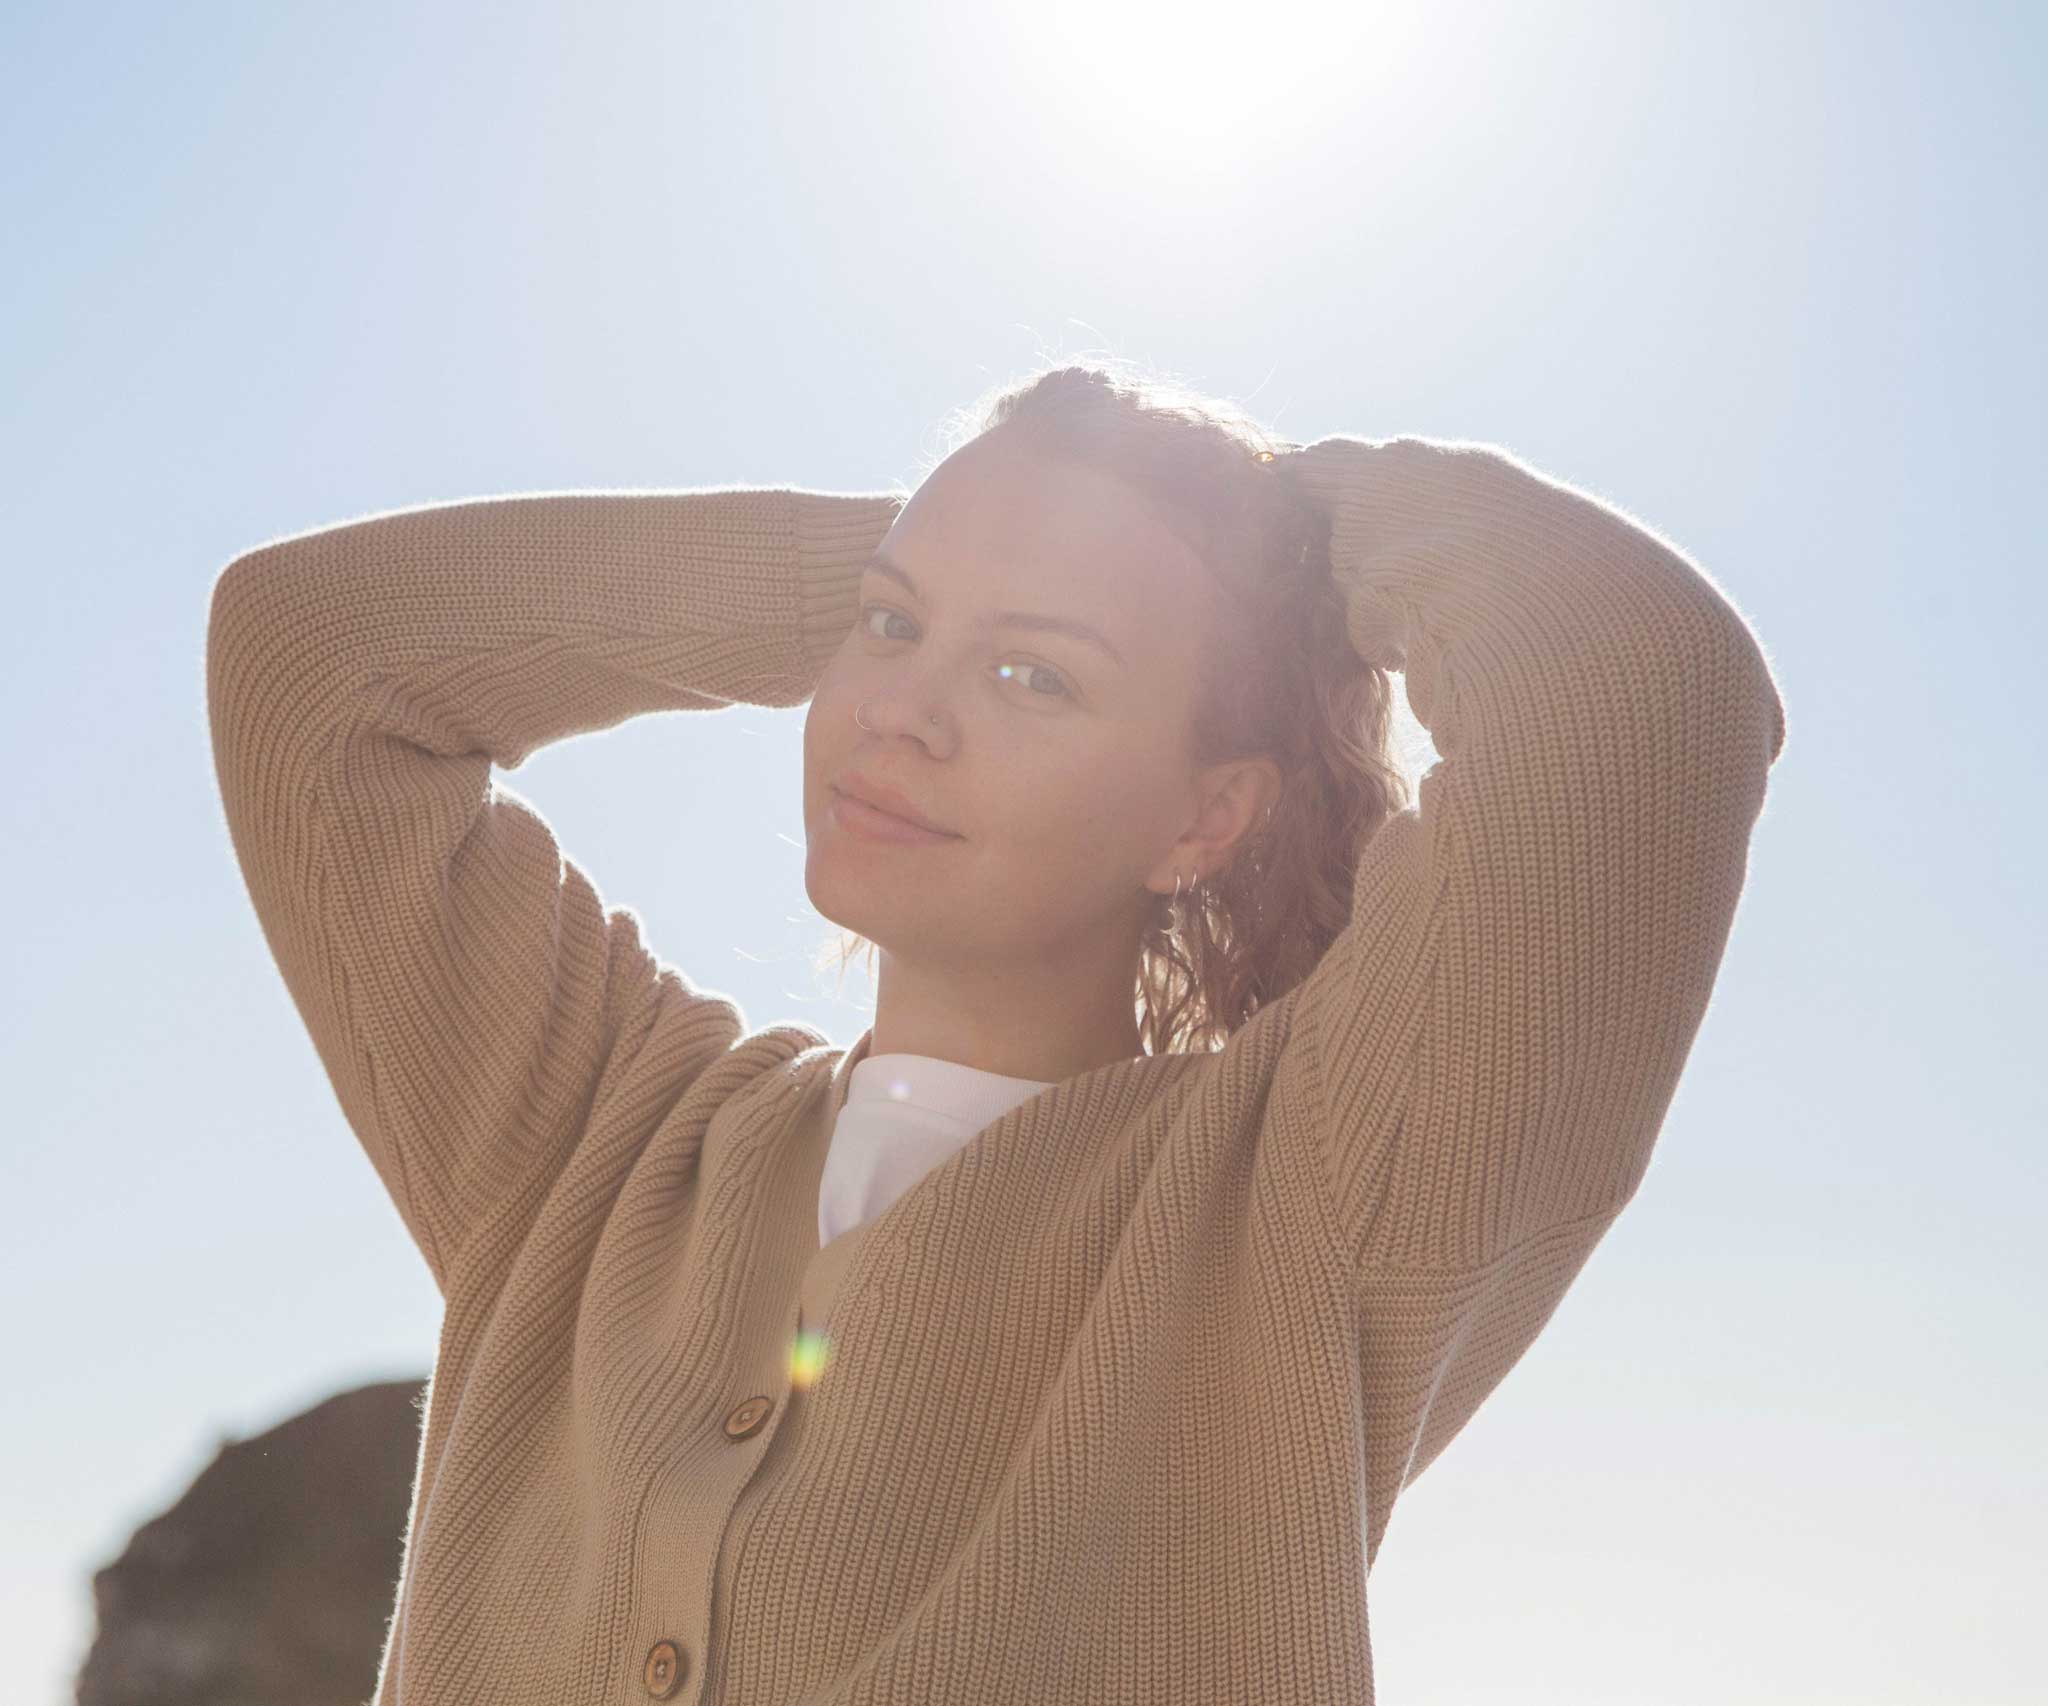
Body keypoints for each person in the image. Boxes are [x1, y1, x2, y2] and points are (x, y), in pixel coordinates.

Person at [205, 359, 1787, 1705]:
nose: (905, 710)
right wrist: (944, 544)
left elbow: (1641, 683)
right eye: (891, 635)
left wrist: (1271, 523)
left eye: (1036, 674)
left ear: (1204, 814)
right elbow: (311, 660)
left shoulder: (1303, 1204)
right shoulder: (591, 1133)